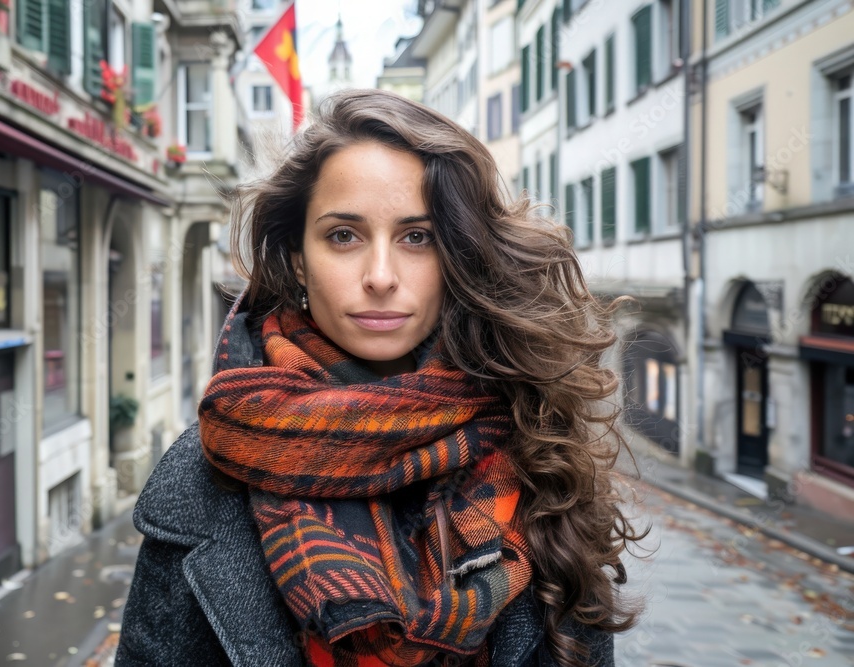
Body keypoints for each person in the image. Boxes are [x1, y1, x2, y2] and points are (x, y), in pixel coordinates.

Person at [115, 89, 644, 667]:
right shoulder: (202, 474)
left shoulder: (534, 438)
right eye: (344, 235)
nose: (381, 276)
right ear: (297, 256)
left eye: (418, 237)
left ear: (458, 255)